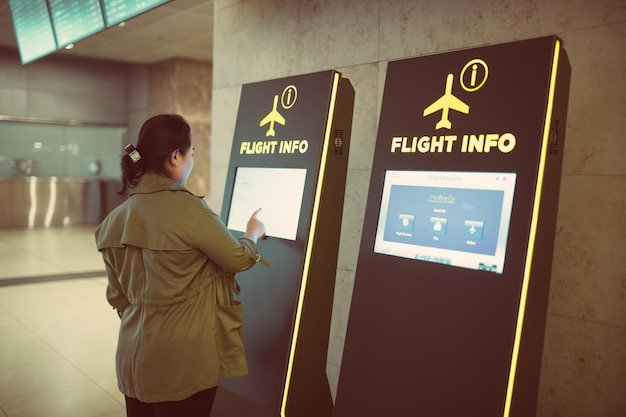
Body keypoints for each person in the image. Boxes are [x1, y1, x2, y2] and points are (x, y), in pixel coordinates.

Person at [95, 113, 266, 417]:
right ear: (175, 157)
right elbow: (237, 258)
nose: (191, 161)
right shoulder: (191, 211)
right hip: (182, 363)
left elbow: (118, 297)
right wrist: (252, 233)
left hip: (132, 358)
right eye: (192, 154)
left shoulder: (114, 220)